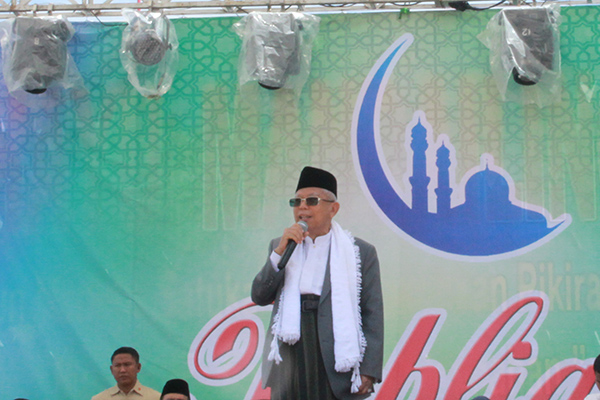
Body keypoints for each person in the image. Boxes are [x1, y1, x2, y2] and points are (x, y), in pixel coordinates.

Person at [252, 166, 384, 400]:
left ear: (333, 209)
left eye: (312, 200)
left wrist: (369, 369)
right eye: (297, 201)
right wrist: (279, 254)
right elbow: (260, 296)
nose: (302, 207)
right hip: (291, 351)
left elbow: (372, 312)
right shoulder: (280, 246)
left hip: (335, 351)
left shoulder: (359, 252)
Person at [91, 347, 160, 400]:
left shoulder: (156, 397)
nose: (122, 370)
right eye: (118, 365)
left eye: (127, 364)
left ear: (138, 367)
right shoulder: (99, 398)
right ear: (112, 370)